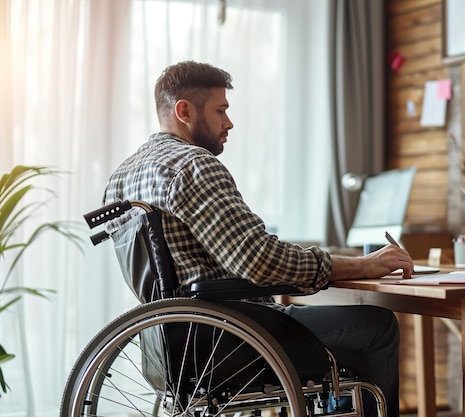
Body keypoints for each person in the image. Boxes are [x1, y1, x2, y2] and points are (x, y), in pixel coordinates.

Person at [103, 60, 414, 417]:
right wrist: (363, 265)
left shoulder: (121, 178)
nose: (229, 122)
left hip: (174, 345)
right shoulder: (192, 165)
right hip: (232, 337)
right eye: (220, 111)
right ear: (184, 111)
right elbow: (258, 261)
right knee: (376, 325)